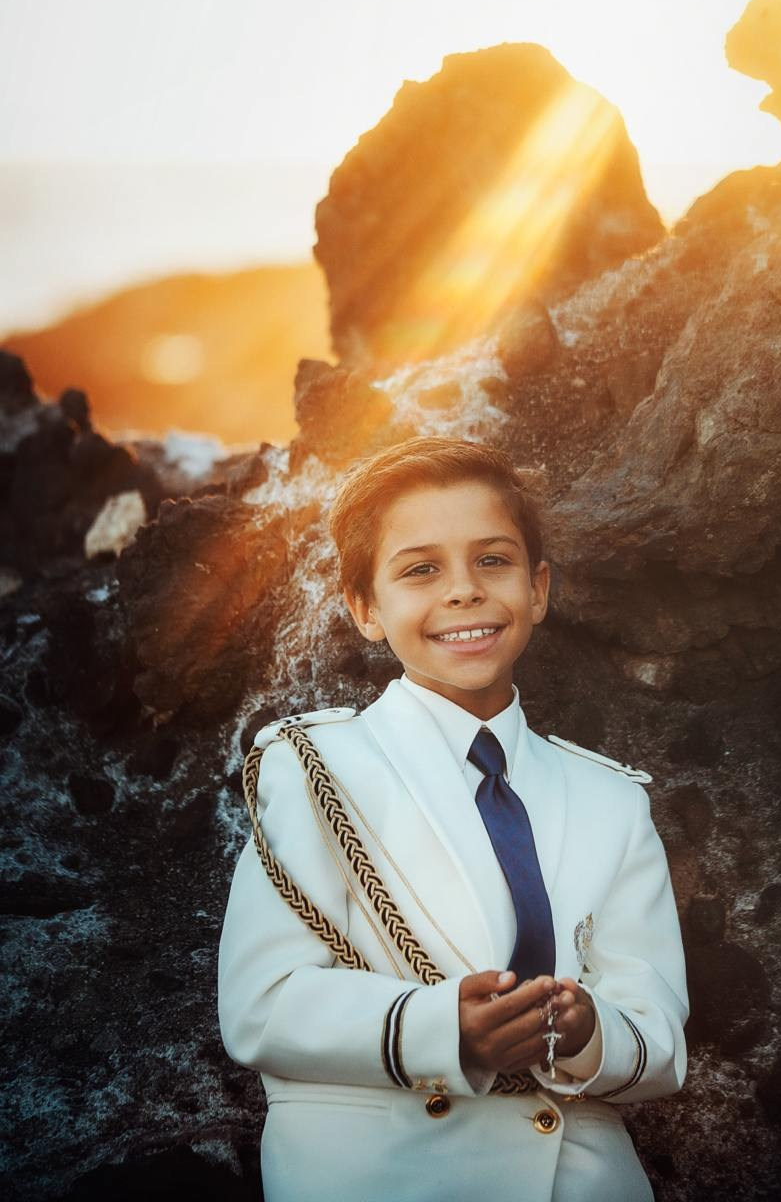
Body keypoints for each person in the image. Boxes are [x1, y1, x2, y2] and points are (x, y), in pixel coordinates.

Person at [218, 436, 688, 1202]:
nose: (464, 591)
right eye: (420, 569)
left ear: (538, 590)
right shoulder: (314, 766)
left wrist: (585, 1031)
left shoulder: (612, 799)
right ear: (365, 609)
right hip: (379, 1175)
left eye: (493, 561)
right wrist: (443, 1026)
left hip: (584, 1175)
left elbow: (660, 1042)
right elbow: (259, 1005)